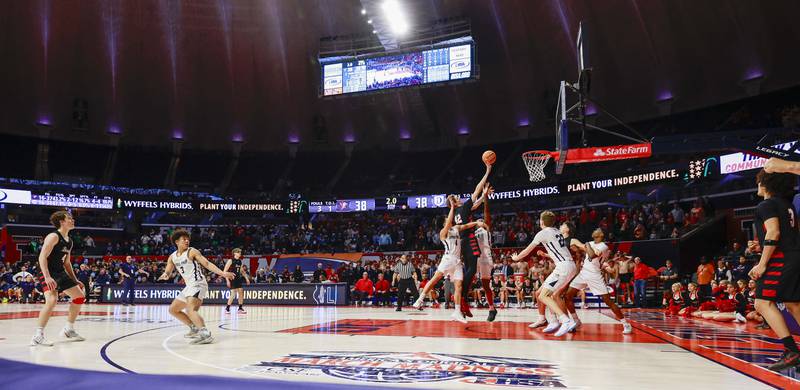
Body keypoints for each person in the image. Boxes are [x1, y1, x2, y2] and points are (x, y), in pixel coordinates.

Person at [748, 170, 800, 371]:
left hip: (781, 259)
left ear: (765, 182)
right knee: (794, 303)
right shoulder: (788, 205)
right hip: (793, 254)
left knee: (761, 303)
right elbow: (788, 234)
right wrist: (761, 246)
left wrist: (761, 263)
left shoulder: (766, 205)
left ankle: (791, 351)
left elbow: (774, 232)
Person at [414, 197, 487, 322]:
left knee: (458, 286)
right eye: (447, 219)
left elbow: (466, 225)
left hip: (457, 261)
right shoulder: (443, 232)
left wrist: (476, 223)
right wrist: (452, 207)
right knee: (434, 279)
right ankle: (419, 299)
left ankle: (457, 312)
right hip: (448, 259)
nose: (449, 219)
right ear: (444, 222)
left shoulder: (456, 229)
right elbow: (448, 223)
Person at [158, 229, 235, 345]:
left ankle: (205, 334)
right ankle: (193, 327)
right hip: (189, 286)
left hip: (198, 283)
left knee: (190, 310)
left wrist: (223, 274)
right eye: (184, 239)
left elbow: (207, 263)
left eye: (188, 239)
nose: (187, 241)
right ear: (176, 242)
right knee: (173, 309)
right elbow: (168, 271)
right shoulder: (172, 257)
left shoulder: (192, 251)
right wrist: (165, 275)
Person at [512, 210, 579, 337]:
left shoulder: (542, 233)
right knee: (540, 293)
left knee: (544, 295)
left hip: (563, 267)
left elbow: (527, 251)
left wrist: (516, 258)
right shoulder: (557, 231)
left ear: (541, 222)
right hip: (568, 266)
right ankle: (552, 321)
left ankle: (565, 320)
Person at [31, 211, 86, 346]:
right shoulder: (53, 236)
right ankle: (38, 336)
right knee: (52, 300)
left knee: (79, 296)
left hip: (60, 271)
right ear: (62, 222)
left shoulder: (70, 241)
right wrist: (47, 277)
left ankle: (69, 329)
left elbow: (67, 263)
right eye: (69, 218)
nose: (72, 220)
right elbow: (42, 257)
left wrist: (75, 280)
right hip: (47, 271)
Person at [564, 229, 632, 334]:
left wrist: (585, 245)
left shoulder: (604, 246)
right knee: (568, 296)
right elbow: (578, 247)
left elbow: (591, 255)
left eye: (598, 230)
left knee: (608, 301)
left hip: (595, 275)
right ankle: (576, 320)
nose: (596, 231)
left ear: (601, 235)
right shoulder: (590, 243)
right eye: (595, 230)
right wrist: (576, 246)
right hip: (583, 273)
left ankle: (625, 324)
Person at [453, 161, 492, 318]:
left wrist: (484, 195)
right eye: (457, 197)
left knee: (469, 269)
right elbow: (476, 190)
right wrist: (487, 171)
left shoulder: (457, 211)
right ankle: (462, 297)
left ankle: (463, 299)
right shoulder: (463, 207)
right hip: (468, 239)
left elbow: (475, 205)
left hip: (462, 241)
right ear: (456, 202)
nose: (459, 197)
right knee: (472, 269)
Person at [474, 184, 498, 321]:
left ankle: (491, 308)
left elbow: (486, 213)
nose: (480, 220)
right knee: (466, 279)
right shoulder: (473, 229)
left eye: (481, 220)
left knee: (485, 285)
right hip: (475, 258)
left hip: (485, 258)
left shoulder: (485, 228)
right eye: (479, 220)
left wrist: (485, 198)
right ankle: (462, 305)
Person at [223, 248, 250, 314]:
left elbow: (242, 271)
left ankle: (240, 308)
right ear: (234, 253)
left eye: (240, 252)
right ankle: (227, 308)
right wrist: (227, 280)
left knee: (241, 292)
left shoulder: (239, 261)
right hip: (232, 277)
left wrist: (246, 278)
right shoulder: (230, 260)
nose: (240, 253)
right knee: (233, 293)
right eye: (238, 252)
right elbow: (224, 271)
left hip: (238, 278)